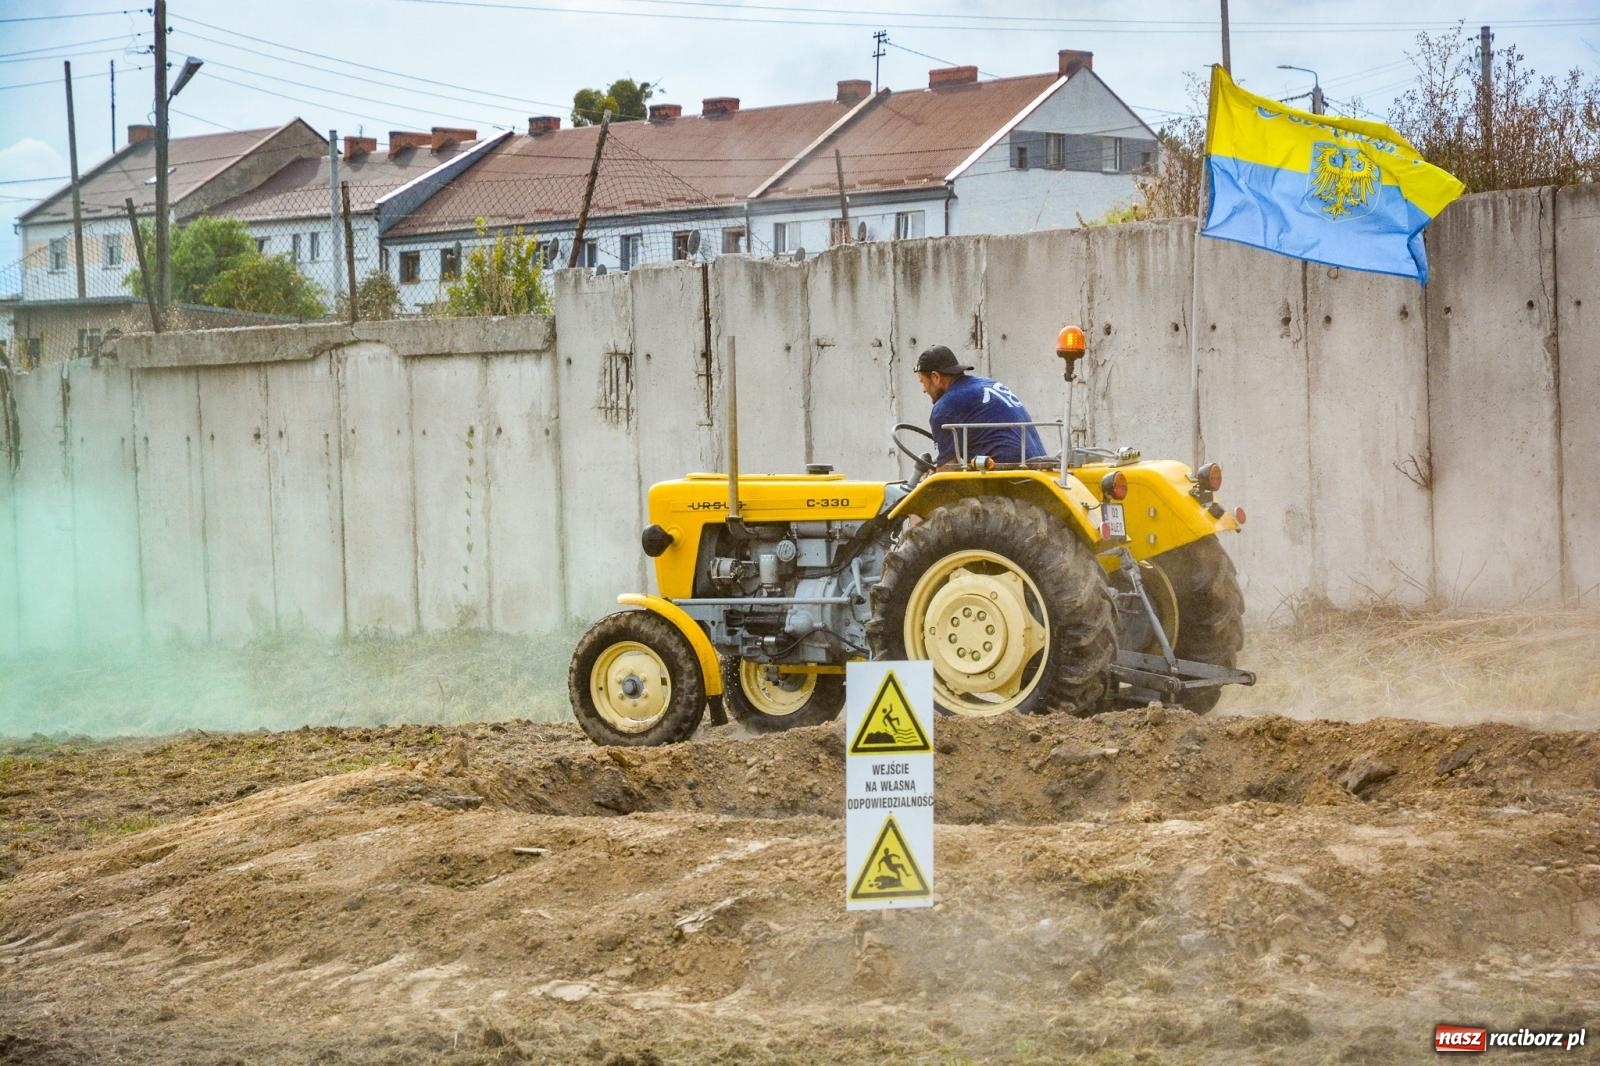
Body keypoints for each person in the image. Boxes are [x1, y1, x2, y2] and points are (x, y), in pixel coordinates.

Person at [914, 344, 1045, 469]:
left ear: (935, 377)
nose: (923, 390)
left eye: (922, 382)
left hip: (1008, 476)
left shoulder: (944, 407)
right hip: (1039, 466)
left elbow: (947, 471)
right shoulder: (989, 384)